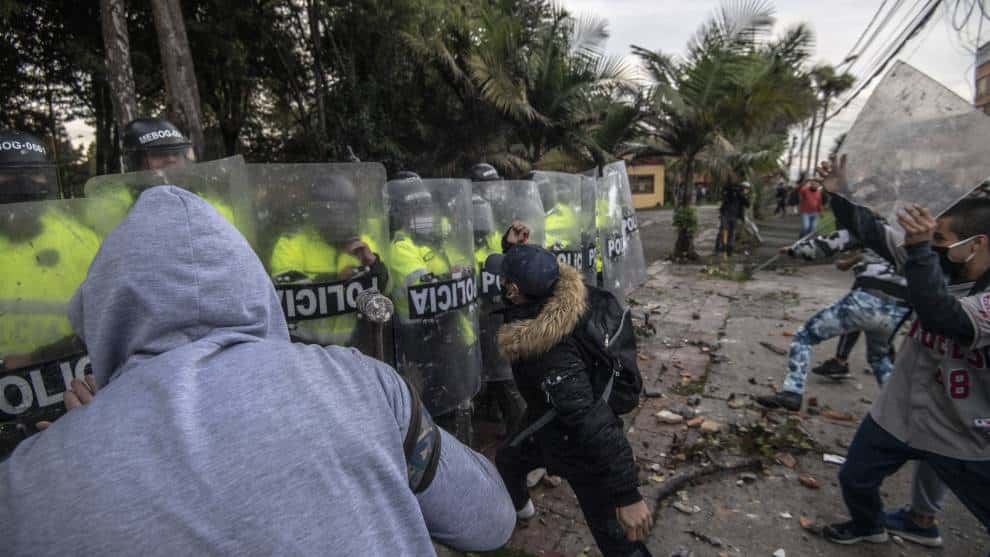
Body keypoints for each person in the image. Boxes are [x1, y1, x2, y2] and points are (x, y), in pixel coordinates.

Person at [0, 186, 516, 555]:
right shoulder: (367, 385)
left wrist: (81, 447)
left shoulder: (23, 489)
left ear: (102, 314)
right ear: (251, 281)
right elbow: (491, 518)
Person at [813, 155, 990, 546]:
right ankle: (869, 526)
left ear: (977, 244)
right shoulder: (931, 263)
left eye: (941, 239)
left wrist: (922, 251)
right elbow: (872, 232)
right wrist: (840, 194)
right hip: (902, 410)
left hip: (963, 429)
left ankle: (922, 521)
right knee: (855, 477)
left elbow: (944, 317)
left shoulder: (941, 270)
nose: (932, 245)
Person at [488, 244, 652, 557]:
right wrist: (513, 248)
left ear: (514, 290)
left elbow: (593, 422)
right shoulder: (556, 292)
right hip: (546, 420)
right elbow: (530, 275)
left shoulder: (552, 356)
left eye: (506, 281)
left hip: (579, 448)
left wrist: (627, 494)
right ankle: (520, 513)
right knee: (509, 457)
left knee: (617, 538)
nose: (502, 285)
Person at [0, 130, 101, 456]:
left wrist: (36, 358)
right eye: (9, 175)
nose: (26, 184)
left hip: (81, 394)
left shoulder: (82, 238)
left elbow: (109, 312)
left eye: (36, 173)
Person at [755, 229, 910, 411]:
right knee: (879, 358)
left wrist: (794, 250)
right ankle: (899, 411)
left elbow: (828, 244)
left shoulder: (875, 227)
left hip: (866, 298)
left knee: (804, 337)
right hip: (898, 308)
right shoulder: (916, 237)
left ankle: (792, 393)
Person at [387, 171, 479, 444]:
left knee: (462, 410)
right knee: (440, 422)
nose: (425, 214)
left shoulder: (435, 244)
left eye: (426, 207)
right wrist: (453, 277)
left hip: (454, 340)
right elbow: (430, 290)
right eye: (416, 208)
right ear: (401, 214)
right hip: (424, 345)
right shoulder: (401, 247)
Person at [268, 174, 388, 352]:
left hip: (357, 350)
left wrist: (375, 265)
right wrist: (338, 280)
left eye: (344, 212)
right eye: (330, 212)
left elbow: (388, 293)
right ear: (316, 214)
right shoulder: (290, 244)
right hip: (305, 350)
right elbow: (289, 296)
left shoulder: (364, 244)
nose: (338, 219)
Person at [470, 164, 526, 437]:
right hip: (469, 319)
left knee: (506, 380)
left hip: (495, 313)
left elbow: (502, 261)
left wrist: (510, 246)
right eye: (485, 186)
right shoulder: (458, 227)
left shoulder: (495, 227)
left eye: (494, 186)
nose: (490, 193)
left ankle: (522, 439)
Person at [716, 180, 751, 257]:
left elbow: (747, 204)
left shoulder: (739, 195)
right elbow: (747, 204)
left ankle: (728, 249)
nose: (746, 190)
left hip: (732, 216)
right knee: (725, 232)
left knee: (730, 233)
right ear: (743, 188)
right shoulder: (735, 193)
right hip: (727, 215)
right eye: (746, 189)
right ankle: (721, 249)